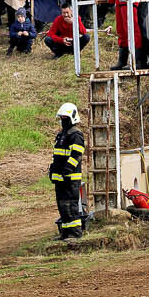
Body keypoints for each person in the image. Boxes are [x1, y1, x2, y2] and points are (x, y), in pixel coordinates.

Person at [49, 102, 86, 241]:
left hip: (70, 178)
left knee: (71, 205)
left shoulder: (76, 134)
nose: (63, 120)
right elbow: (57, 156)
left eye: (65, 118)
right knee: (62, 206)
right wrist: (53, 170)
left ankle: (75, 233)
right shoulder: (61, 135)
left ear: (72, 118)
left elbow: (77, 154)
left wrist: (68, 169)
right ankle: (65, 233)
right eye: (61, 118)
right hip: (60, 178)